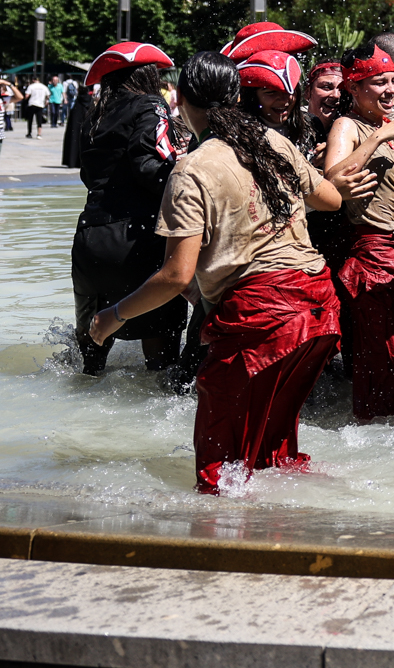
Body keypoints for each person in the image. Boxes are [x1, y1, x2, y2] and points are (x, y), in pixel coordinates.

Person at [88, 52, 345, 495]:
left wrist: (112, 316)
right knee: (272, 457)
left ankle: (221, 550)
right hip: (320, 308)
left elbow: (173, 275)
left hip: (263, 318)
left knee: (219, 477)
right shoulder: (273, 143)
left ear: (180, 97)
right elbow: (331, 199)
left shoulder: (192, 170)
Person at [324, 42, 394, 420]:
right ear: (353, 89)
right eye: (378, 83)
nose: (390, 90)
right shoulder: (349, 125)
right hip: (374, 258)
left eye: (392, 82)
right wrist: (375, 139)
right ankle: (374, 431)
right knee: (388, 361)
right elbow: (331, 179)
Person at [71, 42, 186, 375]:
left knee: (90, 364)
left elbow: (87, 174)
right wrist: (184, 169)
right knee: (161, 367)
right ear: (148, 76)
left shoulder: (95, 115)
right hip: (137, 240)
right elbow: (149, 164)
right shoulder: (151, 105)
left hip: (89, 241)